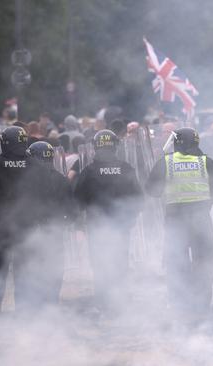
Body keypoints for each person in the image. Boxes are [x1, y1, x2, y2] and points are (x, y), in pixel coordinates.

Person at [146, 127, 213, 322]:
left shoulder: (165, 163)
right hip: (201, 220)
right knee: (205, 262)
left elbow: (151, 190)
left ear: (178, 142)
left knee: (176, 262)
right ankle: (201, 304)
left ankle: (179, 303)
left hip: (175, 221)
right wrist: (205, 202)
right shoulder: (206, 162)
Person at [0, 126, 51, 315]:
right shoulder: (37, 164)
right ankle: (24, 312)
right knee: (25, 271)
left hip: (0, 228)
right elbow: (46, 192)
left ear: (5, 142)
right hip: (27, 228)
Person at [74, 129, 143, 315]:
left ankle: (104, 302)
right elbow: (138, 197)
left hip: (97, 227)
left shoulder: (89, 171)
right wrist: (130, 218)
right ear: (115, 147)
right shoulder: (126, 168)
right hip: (121, 226)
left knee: (100, 264)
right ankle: (120, 302)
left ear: (96, 147)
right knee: (120, 262)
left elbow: (77, 200)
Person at [4, 141, 74, 312]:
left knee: (24, 272)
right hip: (54, 235)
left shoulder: (22, 180)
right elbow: (72, 211)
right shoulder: (61, 179)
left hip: (27, 234)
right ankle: (50, 308)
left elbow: (14, 206)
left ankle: (24, 310)